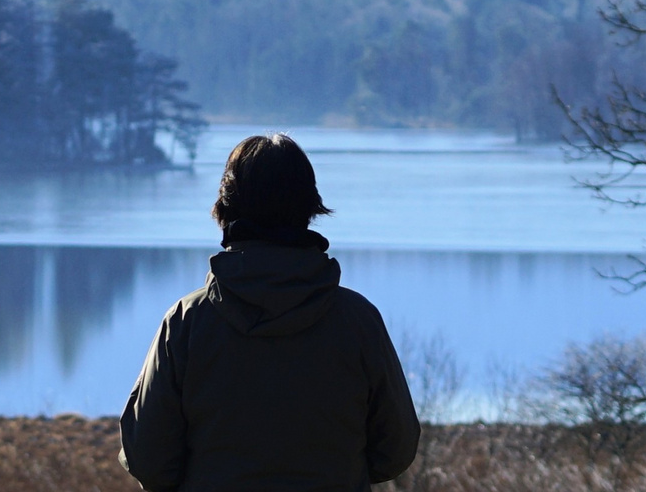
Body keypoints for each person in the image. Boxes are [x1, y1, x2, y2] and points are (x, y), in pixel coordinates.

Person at [120, 133, 421, 492]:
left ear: (226, 209)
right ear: (309, 208)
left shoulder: (186, 322)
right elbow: (395, 449)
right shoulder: (357, 321)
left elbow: (148, 458)